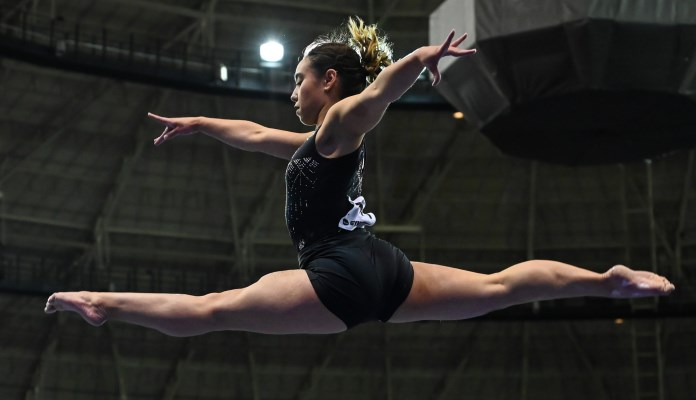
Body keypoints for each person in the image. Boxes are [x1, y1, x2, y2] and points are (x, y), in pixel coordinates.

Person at [45, 18, 674, 336]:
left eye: (299, 79)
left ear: (328, 82)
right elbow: (260, 136)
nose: (293, 90)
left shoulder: (342, 120)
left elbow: (376, 96)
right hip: (382, 269)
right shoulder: (318, 144)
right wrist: (203, 122)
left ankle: (105, 304)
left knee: (214, 311)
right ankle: (605, 282)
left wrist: (418, 60)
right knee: (499, 287)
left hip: (338, 274)